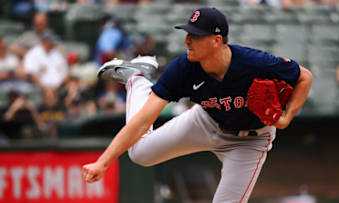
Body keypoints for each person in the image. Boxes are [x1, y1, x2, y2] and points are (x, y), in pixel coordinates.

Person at [82, 7, 313, 203]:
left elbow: (305, 77)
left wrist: (286, 117)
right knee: (139, 154)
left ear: (217, 40)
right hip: (206, 122)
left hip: (249, 142)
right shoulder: (183, 68)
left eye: (196, 35)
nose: (187, 40)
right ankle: (137, 79)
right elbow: (143, 120)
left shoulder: (254, 63)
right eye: (187, 33)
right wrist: (103, 162)